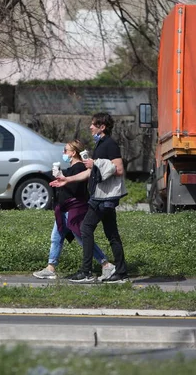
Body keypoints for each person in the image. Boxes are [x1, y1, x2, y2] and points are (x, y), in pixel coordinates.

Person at [50, 113, 129, 284]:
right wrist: (67, 179)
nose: (90, 127)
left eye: (94, 124)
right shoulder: (100, 144)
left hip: (102, 197)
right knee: (111, 234)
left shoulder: (110, 144)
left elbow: (119, 169)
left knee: (86, 228)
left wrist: (96, 164)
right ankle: (120, 272)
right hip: (101, 196)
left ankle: (86, 272)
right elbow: (89, 173)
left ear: (102, 127)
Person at [33, 139, 115, 280]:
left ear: (73, 153)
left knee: (82, 238)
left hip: (74, 209)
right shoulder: (72, 169)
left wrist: (63, 181)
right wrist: (59, 178)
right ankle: (50, 267)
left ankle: (106, 264)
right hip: (64, 209)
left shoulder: (79, 168)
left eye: (65, 150)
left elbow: (76, 189)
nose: (63, 153)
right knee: (56, 238)